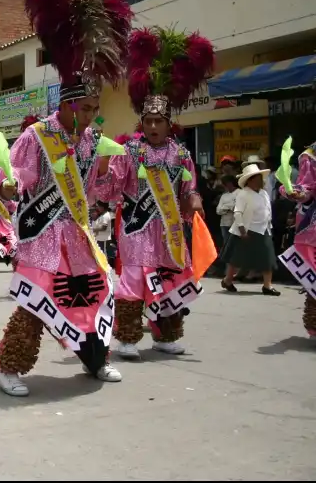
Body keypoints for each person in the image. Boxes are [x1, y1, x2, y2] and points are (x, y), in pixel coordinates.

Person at [0, 0, 133, 396]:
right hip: (43, 236)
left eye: (95, 108)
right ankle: (8, 367)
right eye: (85, 108)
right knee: (35, 303)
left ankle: (96, 360)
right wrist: (9, 186)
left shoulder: (93, 142)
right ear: (67, 104)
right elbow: (11, 174)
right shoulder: (38, 136)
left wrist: (115, 178)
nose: (91, 116)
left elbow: (100, 192)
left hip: (80, 235)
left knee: (94, 295)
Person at [95, 25, 214, 359]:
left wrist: (194, 199)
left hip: (169, 231)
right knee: (133, 283)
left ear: (168, 122)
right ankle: (129, 339)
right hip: (136, 227)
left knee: (171, 281)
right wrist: (103, 169)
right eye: (147, 120)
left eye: (158, 121)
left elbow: (189, 186)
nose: (152, 126)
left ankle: (167, 335)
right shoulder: (131, 151)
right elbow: (113, 185)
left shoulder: (181, 154)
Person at [222, 163, 281, 295]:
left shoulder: (264, 193)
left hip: (263, 229)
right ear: (250, 180)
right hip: (246, 230)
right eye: (257, 178)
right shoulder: (243, 194)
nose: (260, 180)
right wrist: (242, 230)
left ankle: (267, 286)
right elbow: (238, 213)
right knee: (236, 259)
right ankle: (228, 280)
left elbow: (267, 210)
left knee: (268, 258)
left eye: (260, 177)